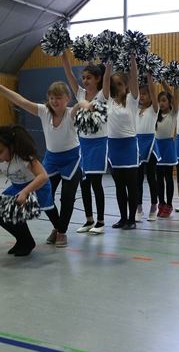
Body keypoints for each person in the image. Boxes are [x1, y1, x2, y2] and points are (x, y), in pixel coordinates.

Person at [0, 81, 80, 248]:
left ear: (67, 98)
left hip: (72, 159)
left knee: (67, 197)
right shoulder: (43, 111)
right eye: (51, 97)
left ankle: (62, 232)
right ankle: (58, 226)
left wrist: (86, 104)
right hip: (51, 159)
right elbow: (20, 100)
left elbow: (80, 105)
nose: (54, 101)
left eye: (58, 97)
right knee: (45, 195)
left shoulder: (71, 113)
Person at [0, 125, 55, 256]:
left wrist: (25, 192)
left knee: (14, 209)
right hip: (17, 187)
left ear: (11, 147)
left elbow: (43, 176)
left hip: (37, 187)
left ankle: (34, 240)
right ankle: (23, 240)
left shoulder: (24, 157)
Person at [61, 55, 106, 234]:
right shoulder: (80, 94)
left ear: (98, 79)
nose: (85, 81)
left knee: (96, 183)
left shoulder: (103, 95)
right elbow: (69, 74)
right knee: (84, 183)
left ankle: (101, 222)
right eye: (84, 78)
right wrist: (63, 54)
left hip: (99, 143)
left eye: (89, 78)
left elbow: (108, 74)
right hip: (83, 143)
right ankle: (89, 220)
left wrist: (108, 60)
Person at [100, 54, 140, 230]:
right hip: (114, 147)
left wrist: (132, 59)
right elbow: (105, 81)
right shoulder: (107, 101)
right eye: (113, 84)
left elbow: (134, 78)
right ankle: (123, 218)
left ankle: (132, 219)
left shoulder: (132, 100)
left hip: (129, 146)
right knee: (119, 187)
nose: (116, 87)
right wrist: (109, 61)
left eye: (120, 84)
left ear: (126, 86)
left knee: (132, 186)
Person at [135, 73, 160, 221]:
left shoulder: (154, 109)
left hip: (150, 145)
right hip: (137, 145)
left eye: (145, 93)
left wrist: (149, 76)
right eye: (140, 94)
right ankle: (138, 207)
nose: (142, 96)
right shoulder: (135, 109)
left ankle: (154, 206)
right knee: (137, 179)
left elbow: (153, 92)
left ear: (150, 96)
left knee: (151, 178)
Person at [154, 87, 178, 217]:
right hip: (157, 147)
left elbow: (175, 98)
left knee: (168, 177)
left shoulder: (173, 113)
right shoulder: (156, 115)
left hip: (168, 147)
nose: (161, 103)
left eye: (164, 100)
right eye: (160, 101)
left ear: (169, 102)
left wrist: (164, 82)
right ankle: (161, 203)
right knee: (159, 178)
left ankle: (169, 204)